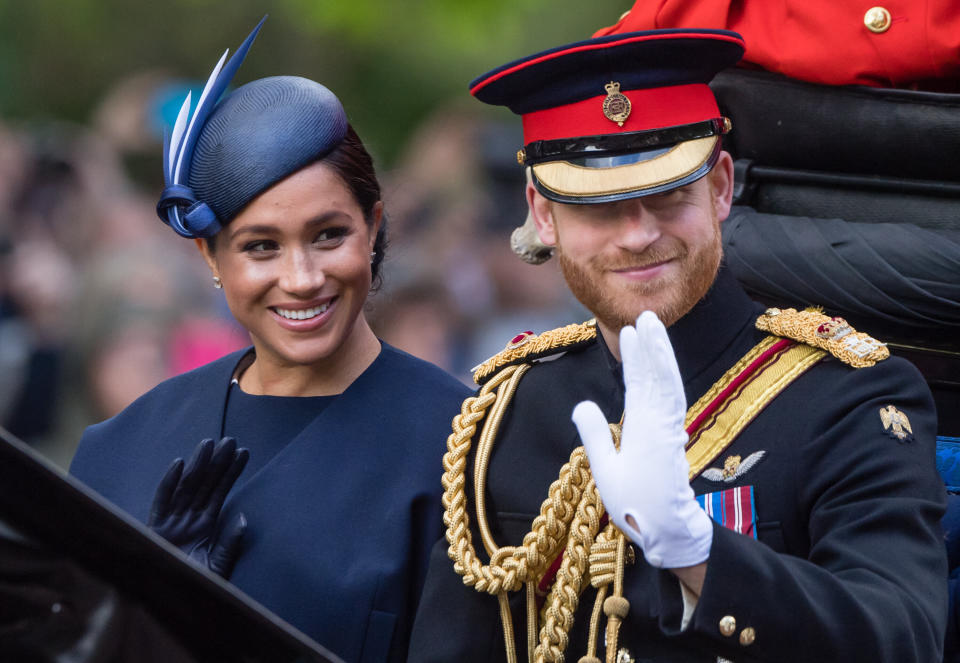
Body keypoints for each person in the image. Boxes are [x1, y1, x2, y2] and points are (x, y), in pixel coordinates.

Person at [408, 28, 947, 663]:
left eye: (667, 198)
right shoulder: (508, 409)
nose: (638, 236)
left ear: (720, 187)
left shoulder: (848, 394)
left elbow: (899, 639)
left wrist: (701, 555)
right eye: (600, 208)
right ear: (544, 215)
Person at [69, 19, 470, 663]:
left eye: (328, 235)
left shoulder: (463, 450)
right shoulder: (119, 451)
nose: (302, 279)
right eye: (261, 247)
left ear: (372, 227)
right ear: (210, 256)